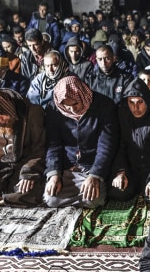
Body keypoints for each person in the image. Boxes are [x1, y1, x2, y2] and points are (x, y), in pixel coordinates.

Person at [43, 76, 118, 208]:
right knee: (51, 199)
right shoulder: (54, 109)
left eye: (76, 104)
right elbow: (53, 145)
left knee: (94, 200)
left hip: (92, 167)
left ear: (83, 96)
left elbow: (106, 145)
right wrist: (54, 174)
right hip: (68, 167)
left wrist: (95, 175)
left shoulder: (104, 105)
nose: (72, 109)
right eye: (67, 105)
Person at [0, 89, 45, 206]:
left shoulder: (33, 113)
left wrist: (29, 173)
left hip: (22, 166)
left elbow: (39, 150)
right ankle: (0, 199)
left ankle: (4, 200)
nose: (0, 119)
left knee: (33, 189)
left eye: (2, 114)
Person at [109, 79, 150, 201]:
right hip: (131, 168)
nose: (136, 108)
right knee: (118, 192)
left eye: (140, 102)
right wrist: (121, 172)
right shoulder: (122, 113)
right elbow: (119, 146)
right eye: (131, 102)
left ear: (147, 100)